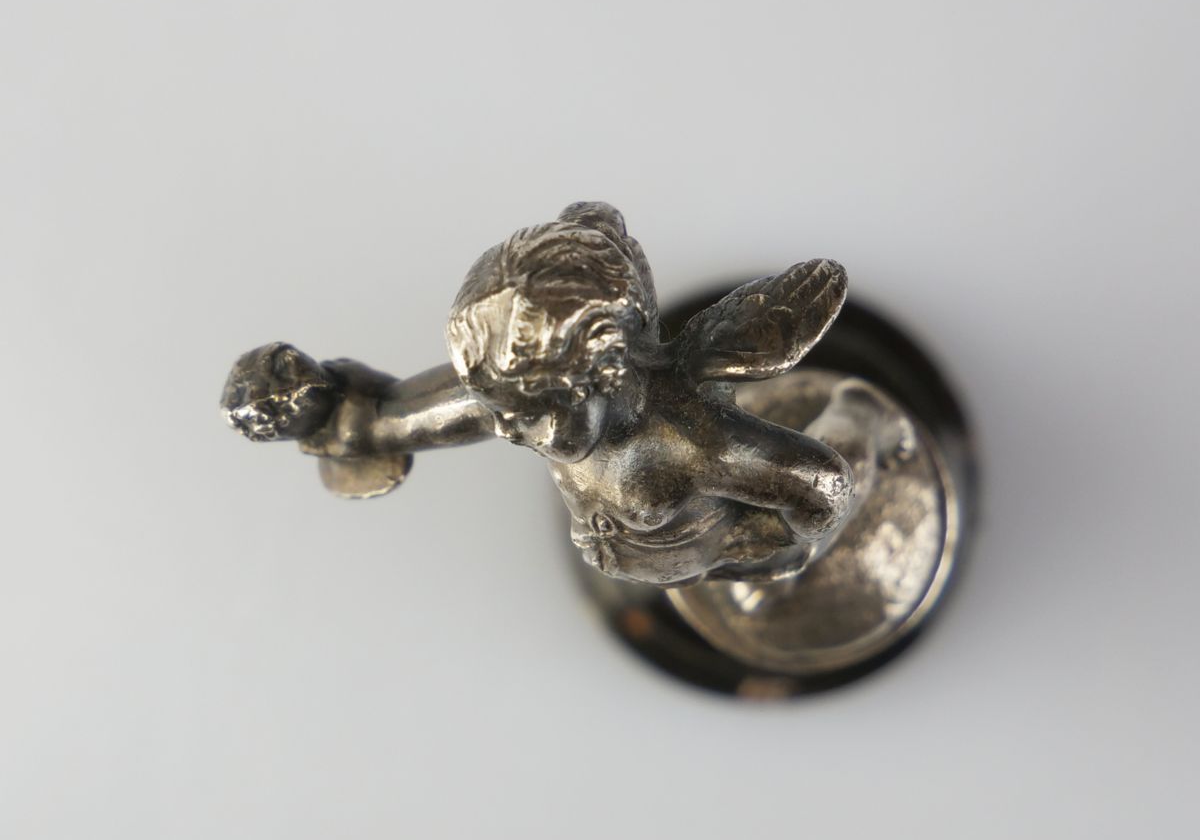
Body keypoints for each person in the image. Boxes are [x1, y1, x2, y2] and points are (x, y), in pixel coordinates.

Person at [222, 202, 907, 586]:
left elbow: (824, 488)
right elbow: (408, 418)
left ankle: (862, 410)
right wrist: (339, 420)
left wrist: (756, 549)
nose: (510, 430)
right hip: (663, 564)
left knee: (806, 541)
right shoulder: (530, 402)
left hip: (724, 552)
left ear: (606, 375)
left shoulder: (692, 444)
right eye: (498, 407)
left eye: (528, 415)